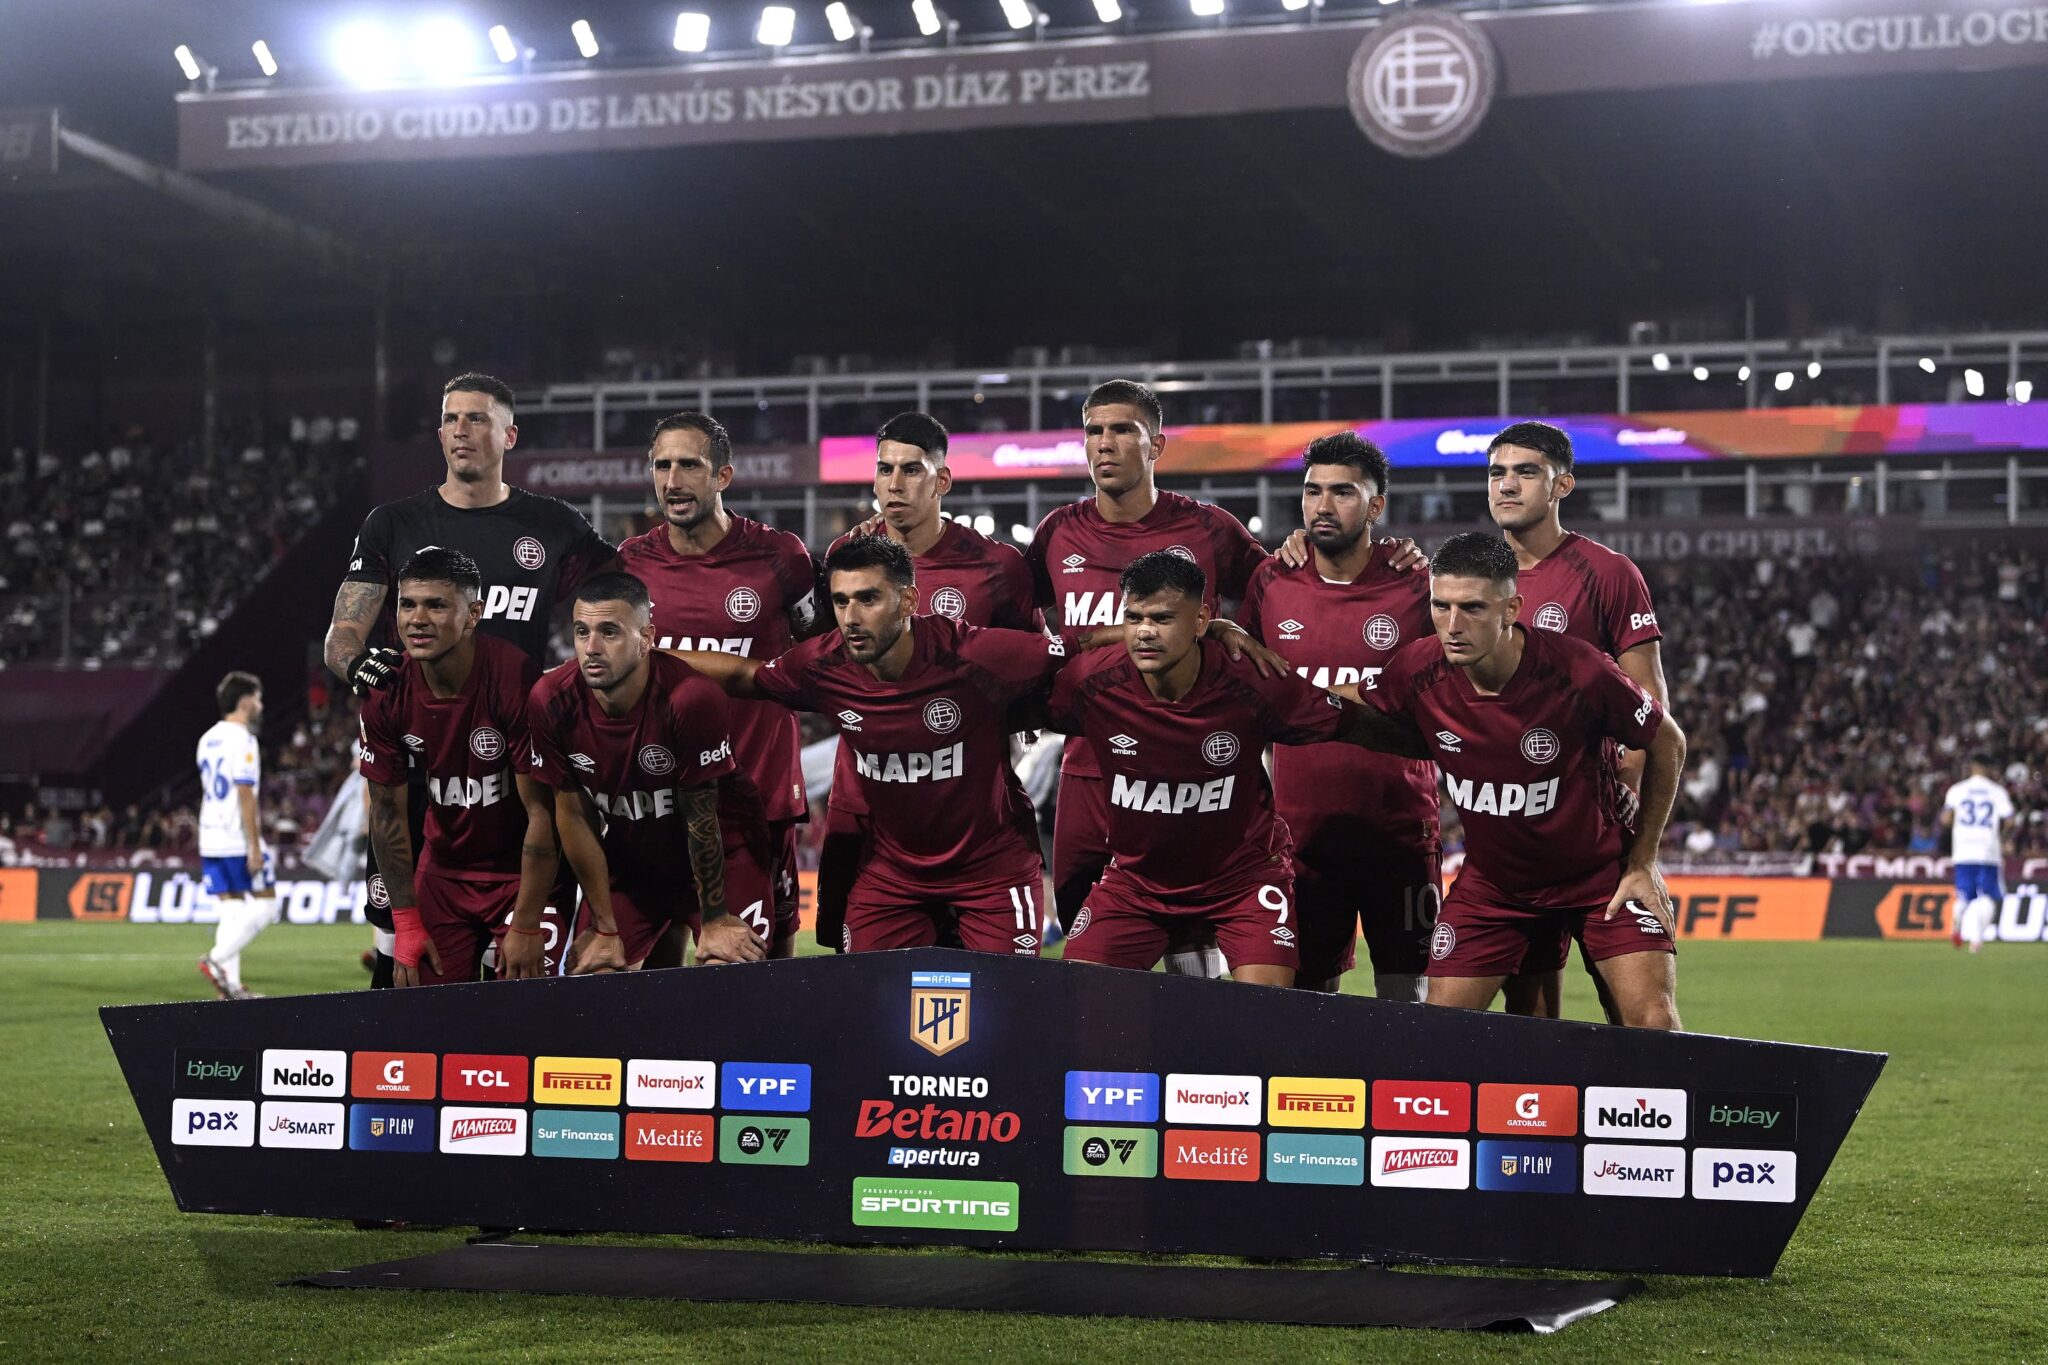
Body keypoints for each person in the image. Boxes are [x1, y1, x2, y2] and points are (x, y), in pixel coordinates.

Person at [323, 372, 615, 987]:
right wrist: (358, 665)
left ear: (510, 434)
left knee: (516, 986)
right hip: (423, 766)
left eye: (477, 418)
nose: (462, 429)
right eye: (452, 418)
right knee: (401, 967)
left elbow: (622, 602)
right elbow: (342, 634)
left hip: (518, 762)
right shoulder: (394, 523)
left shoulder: (553, 524)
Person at [1044, 551, 1430, 987]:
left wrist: (1457, 746)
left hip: (1243, 883)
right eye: (1135, 618)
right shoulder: (1089, 682)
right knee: (1075, 1003)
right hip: (1137, 883)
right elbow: (1012, 705)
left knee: (1263, 1017)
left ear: (1202, 619)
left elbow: (1352, 723)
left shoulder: (1252, 681)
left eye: (1163, 618)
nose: (1146, 632)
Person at [674, 534, 1071, 955]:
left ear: (908, 601)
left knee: (1009, 1003)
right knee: (866, 1005)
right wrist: (645, 658)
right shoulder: (824, 665)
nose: (851, 617)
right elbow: (744, 676)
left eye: (867, 599)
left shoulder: (973, 653)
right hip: (891, 876)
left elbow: (1079, 651)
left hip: (991, 869)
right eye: (841, 601)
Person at [1359, 533, 1686, 1029]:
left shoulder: (1579, 671)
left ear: (1512, 607)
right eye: (1440, 606)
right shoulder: (1417, 668)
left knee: (1653, 1024)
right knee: (1435, 1037)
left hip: (1601, 878)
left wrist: (1643, 860)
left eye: (1471, 608)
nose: (1452, 625)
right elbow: (1346, 703)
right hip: (1496, 888)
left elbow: (1668, 742)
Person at [1023, 381, 1270, 975]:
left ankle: (1195, 1067)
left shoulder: (1209, 530)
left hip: (1189, 779)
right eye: (1093, 431)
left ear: (1156, 444)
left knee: (1193, 958)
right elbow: (1013, 623)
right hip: (1087, 776)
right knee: (1093, 970)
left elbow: (1281, 600)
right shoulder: (1059, 532)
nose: (1104, 444)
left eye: (1122, 430)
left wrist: (1233, 635)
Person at [815, 412, 1042, 952]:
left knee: (996, 994)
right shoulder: (845, 559)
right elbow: (828, 662)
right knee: (865, 992)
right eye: (884, 469)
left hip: (971, 812)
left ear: (941, 480)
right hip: (869, 813)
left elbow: (1032, 667)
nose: (894, 484)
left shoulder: (997, 567)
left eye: (912, 470)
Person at [1237, 433, 1438, 1000]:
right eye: (1312, 491)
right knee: (1306, 1005)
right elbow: (1245, 694)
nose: (1323, 506)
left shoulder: (1418, 587)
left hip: (1399, 834)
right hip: (1300, 839)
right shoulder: (1272, 582)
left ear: (1376, 506)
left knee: (1410, 1002)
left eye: (1342, 492)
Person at [1482, 422, 1669, 1023]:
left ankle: (1644, 1114)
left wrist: (1631, 821)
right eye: (1496, 473)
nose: (1507, 485)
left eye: (1525, 472)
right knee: (1532, 1018)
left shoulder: (1608, 573)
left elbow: (1650, 708)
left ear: (1563, 483)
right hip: (1511, 837)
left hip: (1595, 832)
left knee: (1641, 1018)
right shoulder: (1467, 577)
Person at [618, 410, 820, 959]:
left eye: (689, 465)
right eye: (662, 465)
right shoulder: (631, 565)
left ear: (723, 476)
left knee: (763, 964)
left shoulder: (782, 558)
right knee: (656, 967)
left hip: (757, 794)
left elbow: (816, 656)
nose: (673, 480)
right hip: (661, 798)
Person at [525, 572, 771, 971]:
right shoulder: (550, 699)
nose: (591, 648)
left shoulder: (690, 698)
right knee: (595, 976)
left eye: (609, 632)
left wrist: (715, 919)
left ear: (646, 638)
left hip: (725, 853)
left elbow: (702, 816)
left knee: (727, 974)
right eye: (581, 631)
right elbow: (572, 816)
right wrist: (605, 928)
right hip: (635, 858)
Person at [356, 549, 559, 986]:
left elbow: (544, 814)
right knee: (425, 1018)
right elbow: (387, 812)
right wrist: (406, 920)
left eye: (436, 605)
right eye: (407, 604)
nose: (417, 619)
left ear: (473, 614)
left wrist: (524, 924)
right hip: (443, 872)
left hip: (518, 873)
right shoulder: (385, 690)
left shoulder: (515, 678)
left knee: (528, 1016)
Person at [195, 671, 276, 1000]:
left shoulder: (207, 738)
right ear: (245, 701)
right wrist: (254, 844)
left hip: (209, 836)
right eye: (257, 697)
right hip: (234, 838)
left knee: (231, 911)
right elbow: (245, 794)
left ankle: (230, 987)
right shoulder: (243, 739)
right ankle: (215, 960)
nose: (260, 704)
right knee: (268, 906)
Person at [1942, 753, 2015, 953]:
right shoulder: (1997, 792)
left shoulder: (1956, 790)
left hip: (1963, 850)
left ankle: (1956, 924)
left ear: (1972, 766)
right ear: (1988, 768)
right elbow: (2010, 820)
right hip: (1987, 850)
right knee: (1988, 896)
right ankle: (1976, 941)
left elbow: (1945, 819)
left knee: (1964, 896)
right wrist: (2002, 836)